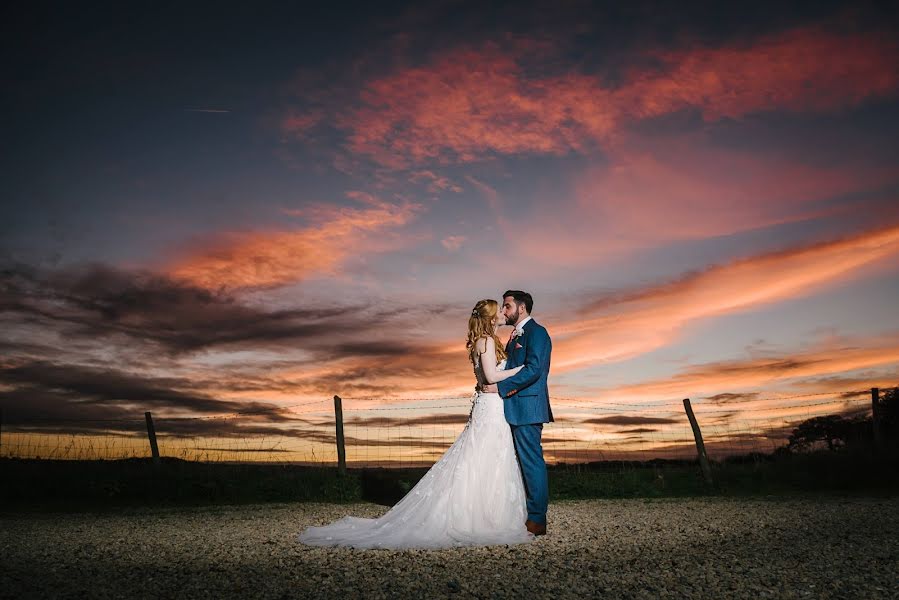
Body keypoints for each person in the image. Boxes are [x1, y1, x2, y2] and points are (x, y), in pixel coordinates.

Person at [297, 299, 534, 549]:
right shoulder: (484, 341)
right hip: (489, 407)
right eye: (498, 311)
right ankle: (477, 518)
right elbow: (492, 376)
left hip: (492, 405)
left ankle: (490, 513)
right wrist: (521, 369)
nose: (502, 314)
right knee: (482, 456)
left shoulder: (489, 341)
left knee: (489, 457)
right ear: (490, 318)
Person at [481, 290, 553, 536]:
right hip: (511, 408)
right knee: (516, 464)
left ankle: (536, 519)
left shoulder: (538, 333)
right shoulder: (513, 337)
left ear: (521, 308)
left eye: (507, 306)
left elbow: (534, 369)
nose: (504, 310)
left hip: (528, 407)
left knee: (531, 462)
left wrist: (500, 388)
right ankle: (518, 512)